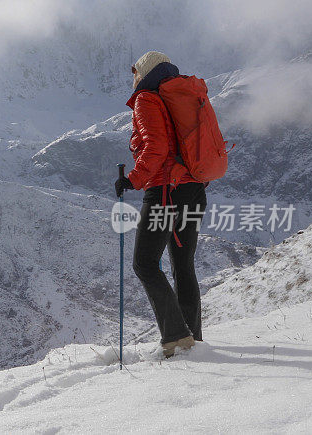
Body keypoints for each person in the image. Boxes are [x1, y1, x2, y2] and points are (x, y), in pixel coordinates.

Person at [114, 51, 207, 358]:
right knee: (183, 264)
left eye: (135, 73)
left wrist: (132, 179)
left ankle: (177, 338)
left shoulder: (147, 100)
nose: (133, 79)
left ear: (144, 73)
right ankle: (193, 337)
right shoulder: (183, 95)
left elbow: (156, 146)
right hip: (194, 189)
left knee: (145, 263)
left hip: (166, 191)